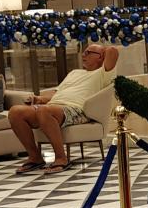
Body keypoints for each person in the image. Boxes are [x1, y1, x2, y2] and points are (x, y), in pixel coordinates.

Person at [8, 44, 119, 174]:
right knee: (15, 112)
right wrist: (39, 99)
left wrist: (102, 50)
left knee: (44, 111)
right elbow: (56, 93)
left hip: (76, 109)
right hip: (53, 107)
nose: (83, 55)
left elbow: (113, 51)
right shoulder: (74, 73)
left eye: (88, 52)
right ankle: (35, 157)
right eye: (83, 52)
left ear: (101, 57)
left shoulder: (103, 73)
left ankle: (61, 158)